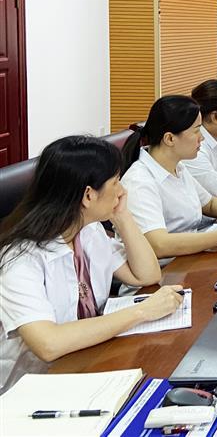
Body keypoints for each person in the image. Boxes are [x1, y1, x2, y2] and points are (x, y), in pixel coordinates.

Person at [0, 136, 182, 392]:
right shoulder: (20, 257)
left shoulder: (89, 231)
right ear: (88, 195)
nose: (122, 191)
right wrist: (142, 312)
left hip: (87, 363)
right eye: (116, 182)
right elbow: (48, 344)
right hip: (29, 389)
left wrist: (123, 217)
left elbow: (146, 275)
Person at [122, 96, 217, 259]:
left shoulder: (177, 166)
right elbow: (159, 245)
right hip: (167, 268)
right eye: (196, 130)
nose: (202, 138)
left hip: (190, 257)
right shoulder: (139, 181)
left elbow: (209, 204)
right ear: (170, 139)